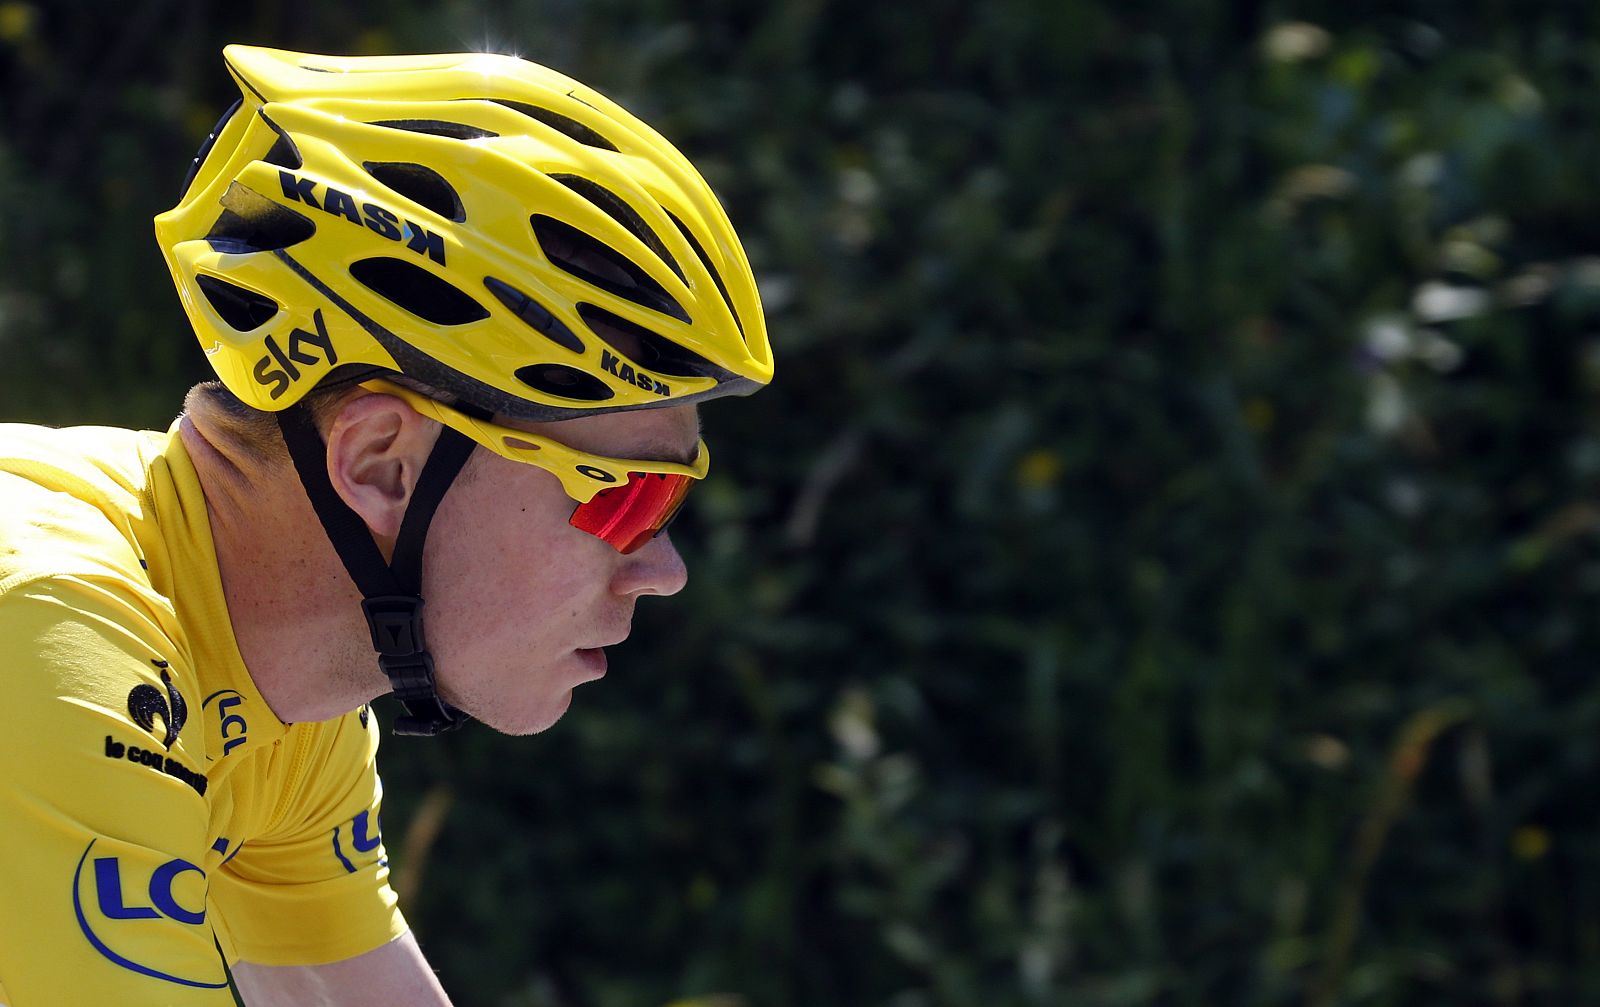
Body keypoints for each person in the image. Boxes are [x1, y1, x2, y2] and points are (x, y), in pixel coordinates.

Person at [0, 44, 771, 1005]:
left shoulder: (281, 700)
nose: (664, 569)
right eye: (628, 497)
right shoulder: (50, 633)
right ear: (379, 464)